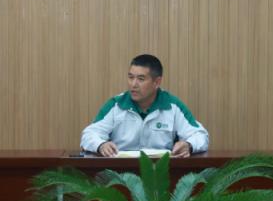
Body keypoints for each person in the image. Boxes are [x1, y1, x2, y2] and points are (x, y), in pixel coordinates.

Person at [80, 54, 209, 158]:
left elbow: (200, 136)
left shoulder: (173, 106)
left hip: (160, 172)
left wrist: (189, 145)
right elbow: (89, 135)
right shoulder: (116, 104)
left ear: (157, 82)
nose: (133, 84)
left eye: (141, 79)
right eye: (131, 77)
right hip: (120, 172)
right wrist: (101, 145)